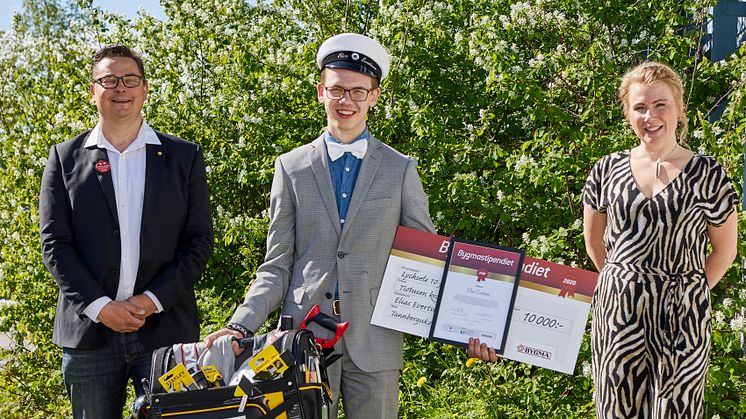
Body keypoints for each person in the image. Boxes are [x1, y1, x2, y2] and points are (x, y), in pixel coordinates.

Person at [205, 33, 435, 418]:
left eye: (358, 91)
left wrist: (468, 331)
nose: (347, 101)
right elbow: (276, 266)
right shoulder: (290, 167)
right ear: (320, 92)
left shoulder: (400, 169)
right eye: (337, 89)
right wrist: (240, 327)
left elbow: (425, 259)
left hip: (376, 340)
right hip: (302, 342)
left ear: (374, 96)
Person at [39, 44, 214, 418]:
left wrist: (151, 299)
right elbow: (55, 245)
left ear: (145, 89)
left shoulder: (184, 157)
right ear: (93, 90)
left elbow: (198, 242)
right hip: (89, 334)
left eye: (129, 79)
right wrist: (101, 308)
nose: (120, 88)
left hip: (166, 331)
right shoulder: (64, 159)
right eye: (108, 80)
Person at [582, 61, 737, 418]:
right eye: (639, 107)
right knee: (616, 409)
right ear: (627, 114)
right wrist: (625, 282)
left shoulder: (708, 174)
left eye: (660, 104)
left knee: (676, 410)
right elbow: (595, 243)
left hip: (684, 314)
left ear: (679, 108)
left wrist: (688, 289)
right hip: (618, 312)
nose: (650, 116)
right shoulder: (606, 170)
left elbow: (724, 251)